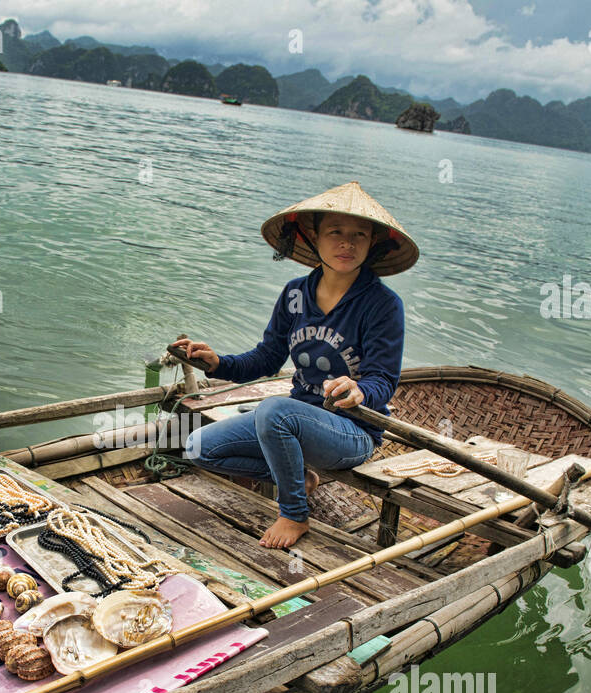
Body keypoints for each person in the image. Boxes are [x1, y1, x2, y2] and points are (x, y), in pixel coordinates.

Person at [176, 181, 418, 549]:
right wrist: (217, 363)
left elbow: (384, 379)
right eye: (335, 232)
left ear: (372, 244)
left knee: (274, 411)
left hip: (352, 431)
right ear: (313, 237)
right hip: (293, 420)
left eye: (359, 235)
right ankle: (298, 478)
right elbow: (267, 358)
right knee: (196, 447)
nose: (347, 244)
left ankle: (293, 513)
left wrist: (359, 389)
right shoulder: (294, 294)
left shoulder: (383, 304)